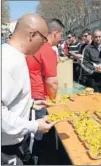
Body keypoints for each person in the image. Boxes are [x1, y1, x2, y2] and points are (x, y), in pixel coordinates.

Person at [2, 13, 57, 165]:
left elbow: (10, 97)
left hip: (14, 141)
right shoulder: (7, 60)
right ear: (32, 34)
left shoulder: (18, 56)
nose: (45, 43)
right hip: (5, 148)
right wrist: (33, 126)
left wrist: (30, 103)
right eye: (44, 38)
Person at [26, 18, 64, 164]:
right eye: (61, 35)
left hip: (30, 97)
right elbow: (52, 81)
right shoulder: (47, 50)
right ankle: (34, 160)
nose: (61, 39)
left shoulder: (33, 47)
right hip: (38, 99)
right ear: (55, 33)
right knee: (37, 137)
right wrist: (54, 101)